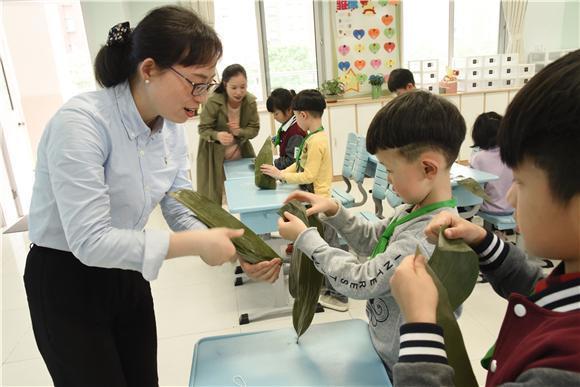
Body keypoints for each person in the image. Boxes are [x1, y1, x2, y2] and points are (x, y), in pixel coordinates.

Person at [24, 7, 245, 387]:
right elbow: (90, 241)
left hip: (127, 273)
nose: (201, 96)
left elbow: (177, 201)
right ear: (148, 69)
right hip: (67, 280)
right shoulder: (81, 124)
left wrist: (233, 247)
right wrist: (195, 243)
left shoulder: (170, 125)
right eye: (195, 82)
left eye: (208, 84)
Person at [389, 50, 580, 386]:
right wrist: (484, 243)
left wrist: (420, 326)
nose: (510, 195)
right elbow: (541, 292)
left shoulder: (562, 368)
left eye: (521, 181)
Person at [276, 90, 466, 378]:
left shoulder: (425, 239)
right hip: (383, 349)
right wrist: (334, 211)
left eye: (390, 169)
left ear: (428, 168)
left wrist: (306, 239)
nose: (387, 178)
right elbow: (375, 235)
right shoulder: (414, 209)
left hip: (401, 367)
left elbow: (360, 281)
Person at [260, 89, 349, 311]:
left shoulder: (317, 141)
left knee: (329, 248)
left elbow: (308, 175)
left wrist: (282, 176)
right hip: (314, 200)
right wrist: (279, 173)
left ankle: (340, 296)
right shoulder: (312, 136)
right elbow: (299, 163)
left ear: (303, 115)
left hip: (321, 202)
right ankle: (326, 286)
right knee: (323, 245)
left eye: (297, 115)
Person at [197, 64, 260, 204]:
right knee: (214, 199)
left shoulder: (250, 102)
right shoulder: (213, 101)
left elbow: (254, 129)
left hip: (240, 154)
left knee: (247, 195)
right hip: (214, 157)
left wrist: (240, 132)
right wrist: (217, 136)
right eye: (234, 88)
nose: (239, 92)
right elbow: (203, 129)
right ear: (225, 85)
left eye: (243, 87)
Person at [470, 111, 514, 215]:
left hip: (489, 208)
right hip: (513, 207)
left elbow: (473, 189)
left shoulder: (478, 158)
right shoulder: (513, 153)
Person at [266, 88, 305, 170]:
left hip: (296, 177)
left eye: (276, 113)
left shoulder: (296, 132)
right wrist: (278, 139)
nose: (274, 117)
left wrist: (273, 163)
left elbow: (292, 160)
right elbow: (287, 140)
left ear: (289, 110)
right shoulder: (288, 125)